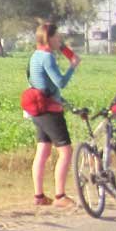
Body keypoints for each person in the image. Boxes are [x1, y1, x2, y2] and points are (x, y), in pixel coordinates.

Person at [27, 21, 79, 207]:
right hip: (50, 111)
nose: (60, 41)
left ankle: (39, 196)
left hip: (37, 109)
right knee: (66, 152)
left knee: (43, 150)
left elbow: (42, 85)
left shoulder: (35, 56)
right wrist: (73, 66)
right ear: (49, 38)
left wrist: (65, 103)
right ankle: (60, 196)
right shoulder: (48, 58)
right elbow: (60, 83)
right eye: (57, 37)